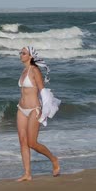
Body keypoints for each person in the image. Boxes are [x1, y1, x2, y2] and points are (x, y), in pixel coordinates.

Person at [16, 46, 60, 182]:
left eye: (23, 53)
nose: (21, 55)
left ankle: (53, 159)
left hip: (34, 109)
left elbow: (42, 90)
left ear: (30, 56)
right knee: (22, 141)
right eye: (20, 53)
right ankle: (27, 174)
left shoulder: (34, 70)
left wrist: (44, 109)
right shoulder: (24, 70)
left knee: (32, 143)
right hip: (21, 109)